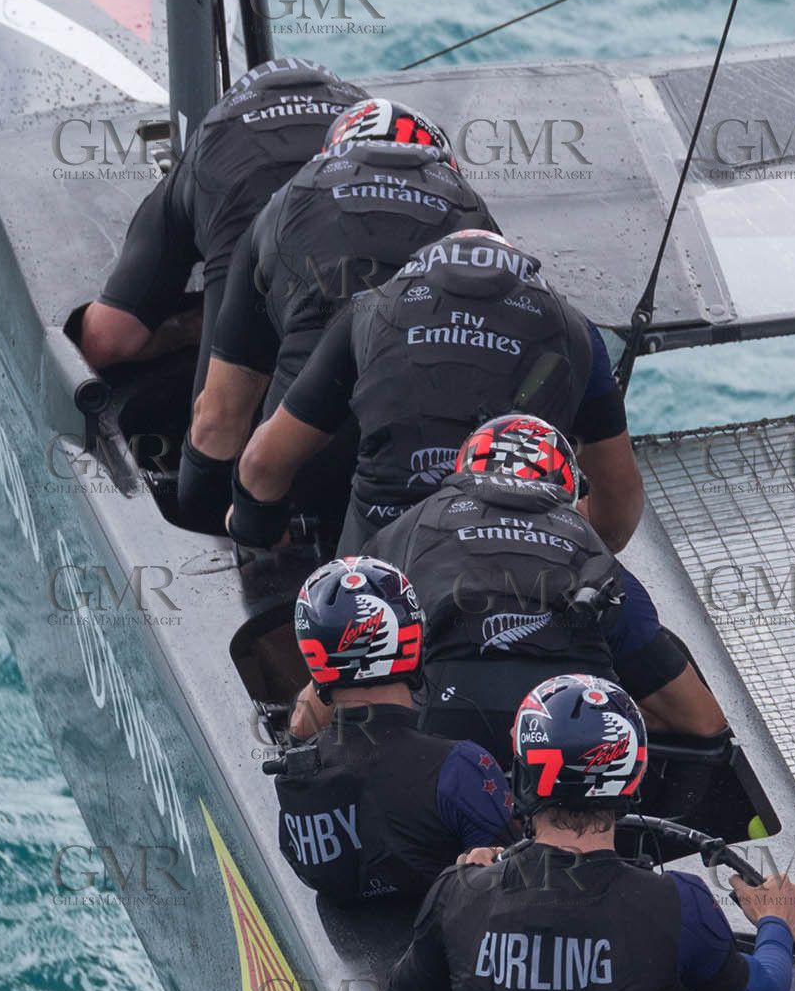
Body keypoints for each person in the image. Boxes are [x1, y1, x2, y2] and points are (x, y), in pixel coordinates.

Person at [387, 673, 795, 991]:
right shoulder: (680, 903)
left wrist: (467, 886)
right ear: (634, 773)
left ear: (524, 772)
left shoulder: (459, 890)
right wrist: (777, 925)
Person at [289, 416, 727, 754]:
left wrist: (300, 733)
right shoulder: (598, 558)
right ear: (569, 493)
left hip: (437, 739)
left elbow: (342, 667)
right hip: (565, 749)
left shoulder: (403, 533)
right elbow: (703, 723)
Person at [179, 100, 494, 530]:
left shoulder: (287, 201)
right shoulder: (472, 212)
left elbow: (218, 418)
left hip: (300, 461)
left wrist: (215, 524)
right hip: (438, 478)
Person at [230, 229, 643, 557]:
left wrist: (257, 530)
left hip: (384, 547)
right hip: (518, 545)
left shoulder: (368, 311)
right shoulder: (576, 330)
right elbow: (618, 514)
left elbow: (262, 464)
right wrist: (567, 524)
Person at [77, 57, 365, 393]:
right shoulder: (375, 128)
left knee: (215, 421)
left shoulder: (208, 154)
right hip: (335, 183)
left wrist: (192, 327)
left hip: (265, 190)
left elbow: (107, 342)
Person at [270, 558, 519, 903]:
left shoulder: (300, 779)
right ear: (412, 640)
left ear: (315, 655)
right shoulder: (462, 767)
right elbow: (514, 897)